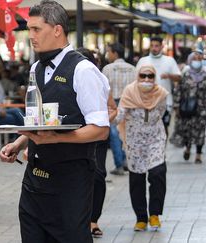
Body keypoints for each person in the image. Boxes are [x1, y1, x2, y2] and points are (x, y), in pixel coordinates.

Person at [0, 1, 110, 242]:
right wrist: (19, 143)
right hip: (34, 180)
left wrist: (58, 138)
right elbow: (40, 121)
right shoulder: (36, 68)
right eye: (29, 29)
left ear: (57, 30)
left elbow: (101, 130)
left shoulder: (83, 71)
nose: (31, 36)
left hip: (70, 180)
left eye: (37, 29)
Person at [116, 64, 168, 231]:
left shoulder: (160, 93)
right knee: (137, 179)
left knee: (158, 173)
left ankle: (154, 214)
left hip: (155, 139)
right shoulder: (129, 92)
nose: (146, 79)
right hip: (134, 141)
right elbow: (120, 115)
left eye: (150, 76)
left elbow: (161, 111)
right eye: (143, 76)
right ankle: (140, 217)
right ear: (138, 76)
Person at [77, 47, 118, 238]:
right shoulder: (74, 80)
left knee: (98, 175)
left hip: (98, 137)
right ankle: (78, 219)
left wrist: (102, 121)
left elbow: (113, 108)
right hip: (78, 137)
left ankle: (93, 220)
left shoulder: (100, 80)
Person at [171, 51, 206, 163]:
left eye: (199, 59)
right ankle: (187, 147)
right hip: (187, 108)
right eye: (194, 59)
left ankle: (198, 154)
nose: (197, 61)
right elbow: (178, 91)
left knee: (201, 131)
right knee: (188, 130)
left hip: (202, 108)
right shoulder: (185, 75)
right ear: (190, 61)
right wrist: (176, 107)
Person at [136, 36, 182, 137]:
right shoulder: (143, 61)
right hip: (146, 102)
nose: (154, 48)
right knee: (147, 129)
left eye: (156, 46)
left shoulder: (169, 60)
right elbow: (135, 80)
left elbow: (179, 77)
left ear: (162, 46)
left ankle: (161, 151)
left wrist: (169, 75)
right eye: (152, 46)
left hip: (165, 102)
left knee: (163, 128)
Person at [101, 42, 135, 176]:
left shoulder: (108, 69)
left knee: (114, 134)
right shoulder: (133, 68)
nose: (107, 55)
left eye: (109, 52)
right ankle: (127, 160)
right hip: (130, 103)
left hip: (113, 103)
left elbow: (103, 90)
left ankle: (119, 164)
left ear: (115, 53)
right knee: (128, 132)